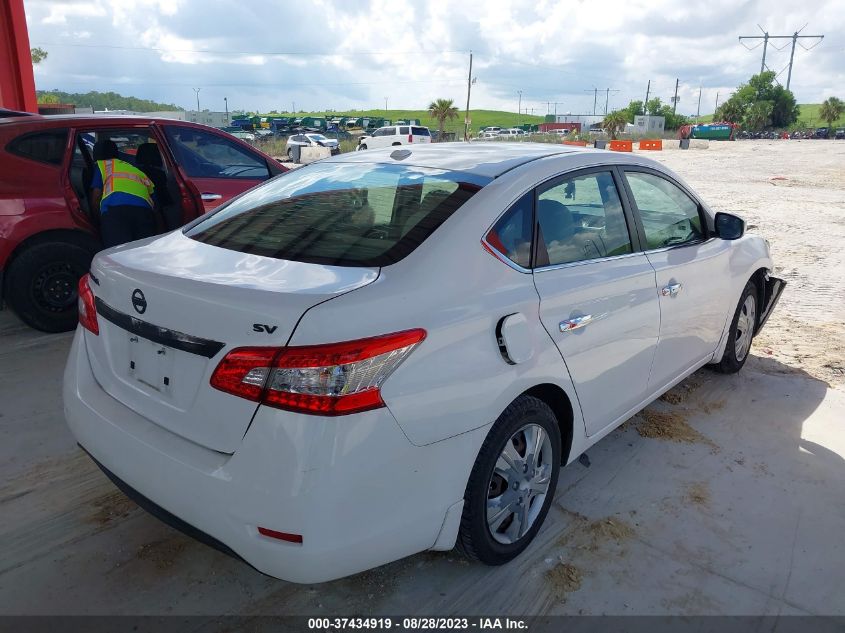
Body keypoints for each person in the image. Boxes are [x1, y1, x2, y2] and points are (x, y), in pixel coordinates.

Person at [89, 139, 157, 248]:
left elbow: (96, 197)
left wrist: (97, 220)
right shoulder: (137, 170)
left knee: (118, 254)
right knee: (142, 254)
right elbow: (155, 205)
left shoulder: (103, 166)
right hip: (144, 212)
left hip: (115, 212)